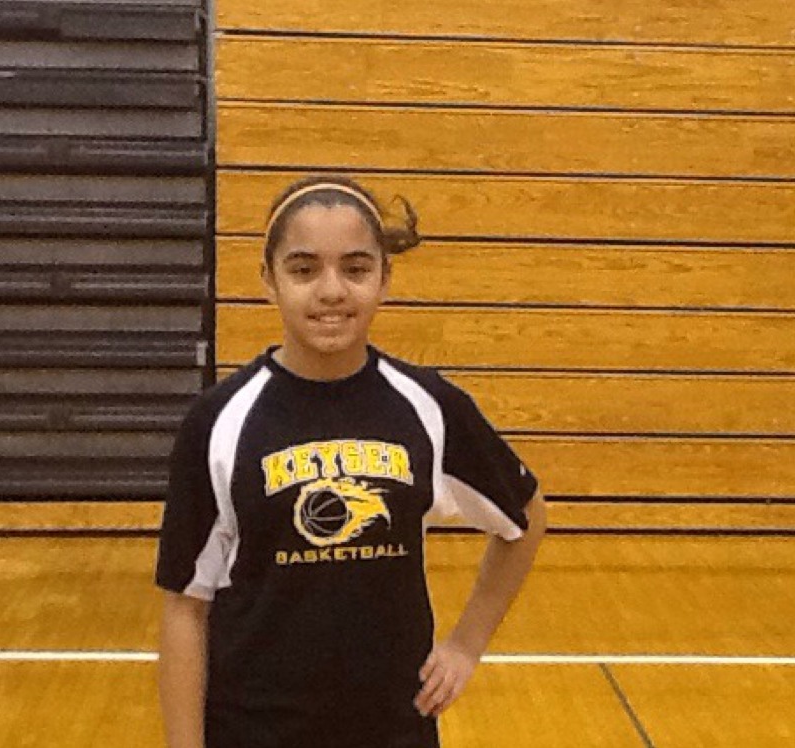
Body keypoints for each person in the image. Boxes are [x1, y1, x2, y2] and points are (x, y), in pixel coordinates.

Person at [156, 175, 547, 748]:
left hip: (393, 730)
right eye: (304, 269)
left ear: (385, 278)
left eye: (356, 269)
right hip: (253, 730)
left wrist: (465, 645)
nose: (332, 291)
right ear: (268, 280)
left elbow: (525, 516)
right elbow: (185, 607)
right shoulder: (219, 421)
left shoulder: (428, 406)